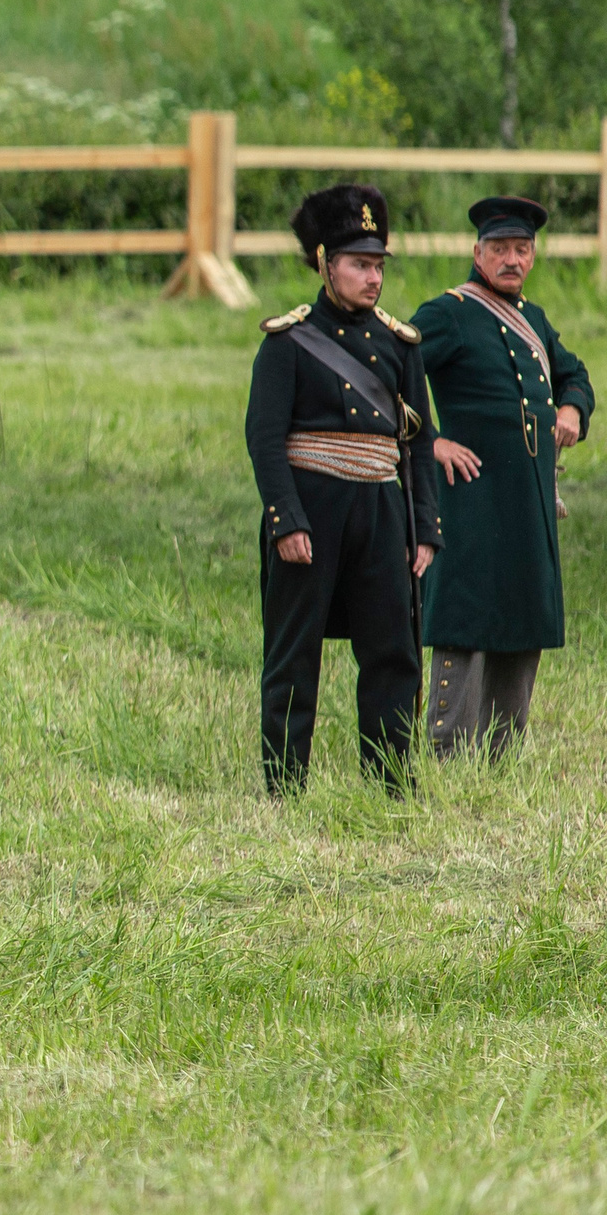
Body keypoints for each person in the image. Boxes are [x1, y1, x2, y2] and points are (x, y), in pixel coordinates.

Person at [247, 185, 443, 795]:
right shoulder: (287, 343)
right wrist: (287, 519)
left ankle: (390, 782)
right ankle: (284, 785)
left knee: (393, 653)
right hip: (314, 508)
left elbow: (419, 442)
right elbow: (264, 436)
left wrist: (425, 530)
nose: (373, 278)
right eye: (360, 264)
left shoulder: (397, 344)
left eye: (379, 265)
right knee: (294, 652)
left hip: (383, 511)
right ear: (326, 263)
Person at [409, 196, 596, 760]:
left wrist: (572, 410)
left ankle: (501, 752)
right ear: (477, 253)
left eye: (521, 250)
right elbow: (393, 375)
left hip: (528, 499)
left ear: (533, 257)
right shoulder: (448, 313)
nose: (511, 260)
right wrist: (431, 441)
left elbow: (575, 375)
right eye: (500, 250)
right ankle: (446, 748)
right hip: (470, 496)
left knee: (522, 615)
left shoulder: (534, 321)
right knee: (463, 616)